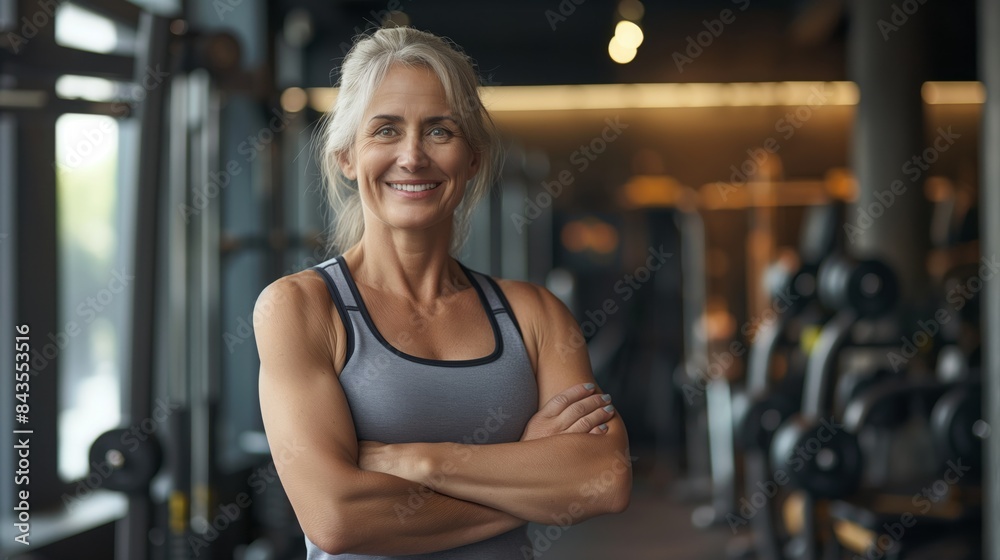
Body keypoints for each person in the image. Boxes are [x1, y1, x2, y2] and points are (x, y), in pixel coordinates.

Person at [254, 26, 631, 559]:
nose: (412, 157)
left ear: (472, 157)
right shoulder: (300, 308)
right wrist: (530, 482)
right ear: (346, 156)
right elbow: (336, 518)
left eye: (439, 131)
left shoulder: (535, 315)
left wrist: (422, 461)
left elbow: (604, 478)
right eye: (386, 130)